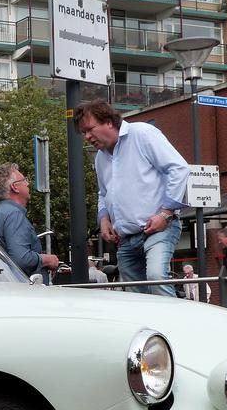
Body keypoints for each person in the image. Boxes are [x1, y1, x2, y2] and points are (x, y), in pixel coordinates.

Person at [74, 100, 189, 296]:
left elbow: (179, 168)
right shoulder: (100, 158)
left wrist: (165, 213)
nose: (87, 137)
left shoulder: (142, 134)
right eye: (83, 133)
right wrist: (104, 219)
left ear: (109, 122)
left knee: (156, 277)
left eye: (90, 129)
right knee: (135, 296)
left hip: (157, 229)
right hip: (126, 238)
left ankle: (172, 316)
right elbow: (104, 193)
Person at [0, 162, 60, 279]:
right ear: (14, 187)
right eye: (24, 180)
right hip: (20, 287)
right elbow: (21, 259)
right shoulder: (14, 215)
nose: (28, 183)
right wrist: (47, 259)